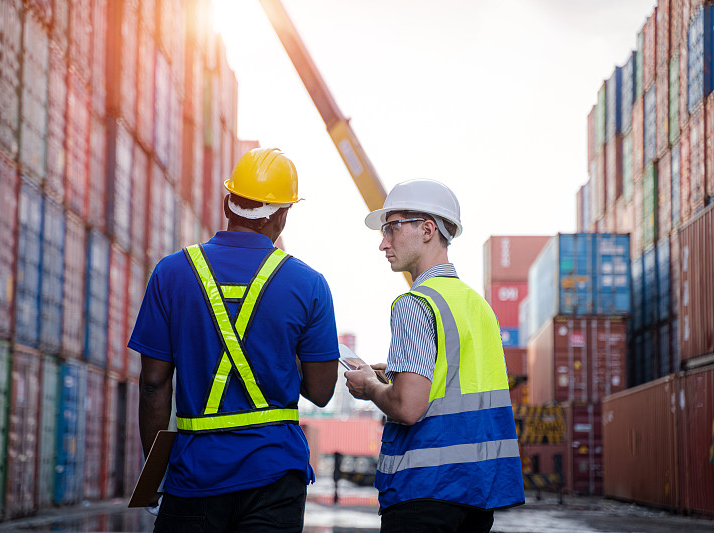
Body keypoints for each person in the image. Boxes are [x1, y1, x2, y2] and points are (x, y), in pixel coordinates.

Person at [130, 148, 340, 533]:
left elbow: (153, 383)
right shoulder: (309, 284)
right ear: (280, 214)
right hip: (275, 478)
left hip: (193, 477)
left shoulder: (171, 273)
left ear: (228, 203)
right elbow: (322, 391)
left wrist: (156, 472)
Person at [344, 179, 525, 533]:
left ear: (427, 230)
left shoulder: (415, 303)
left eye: (391, 229)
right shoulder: (479, 307)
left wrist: (369, 387)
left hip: (425, 493)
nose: (383, 243)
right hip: (478, 493)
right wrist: (395, 376)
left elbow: (408, 407)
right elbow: (457, 384)